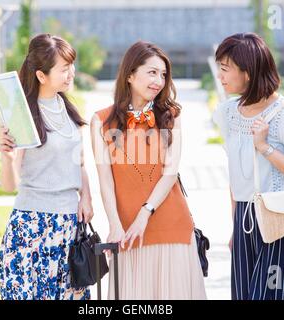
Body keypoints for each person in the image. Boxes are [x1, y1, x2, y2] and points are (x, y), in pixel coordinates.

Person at [90, 41, 207, 300]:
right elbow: (105, 181)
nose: (159, 81)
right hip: (127, 232)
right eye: (152, 72)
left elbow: (171, 171)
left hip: (172, 225)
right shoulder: (101, 121)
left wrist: (144, 215)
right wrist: (114, 224)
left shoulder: (171, 116)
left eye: (163, 75)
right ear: (130, 75)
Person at [212, 33, 284, 300]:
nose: (220, 75)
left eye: (225, 68)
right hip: (245, 218)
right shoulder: (228, 113)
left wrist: (265, 147)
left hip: (280, 218)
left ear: (247, 72)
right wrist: (234, 224)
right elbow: (236, 176)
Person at [0, 34, 93, 300]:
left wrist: (87, 196)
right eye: (64, 69)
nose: (71, 73)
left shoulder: (67, 107)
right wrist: (6, 157)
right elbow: (9, 185)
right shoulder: (22, 114)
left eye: (71, 66)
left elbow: (80, 161)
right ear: (41, 75)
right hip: (32, 227)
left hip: (68, 227)